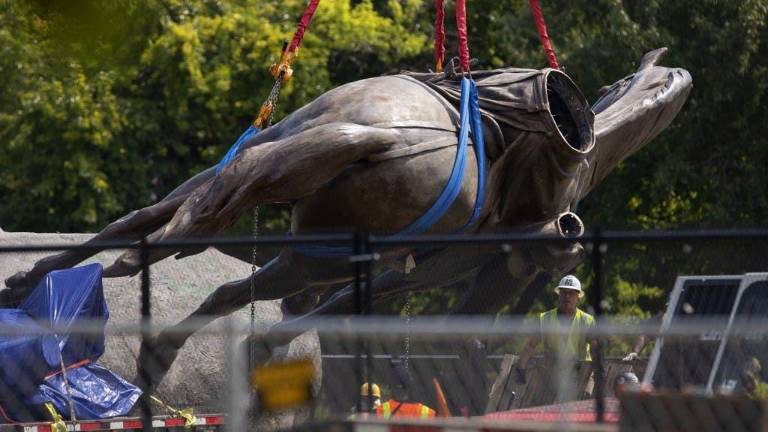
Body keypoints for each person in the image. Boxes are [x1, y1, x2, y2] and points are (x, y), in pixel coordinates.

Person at [515, 275, 598, 384]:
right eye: (564, 292)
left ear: (578, 297)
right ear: (559, 295)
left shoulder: (587, 321)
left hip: (580, 376)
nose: (567, 296)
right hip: (552, 375)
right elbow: (530, 345)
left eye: (571, 293)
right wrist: (521, 367)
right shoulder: (545, 319)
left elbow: (595, 349)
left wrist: (598, 371)